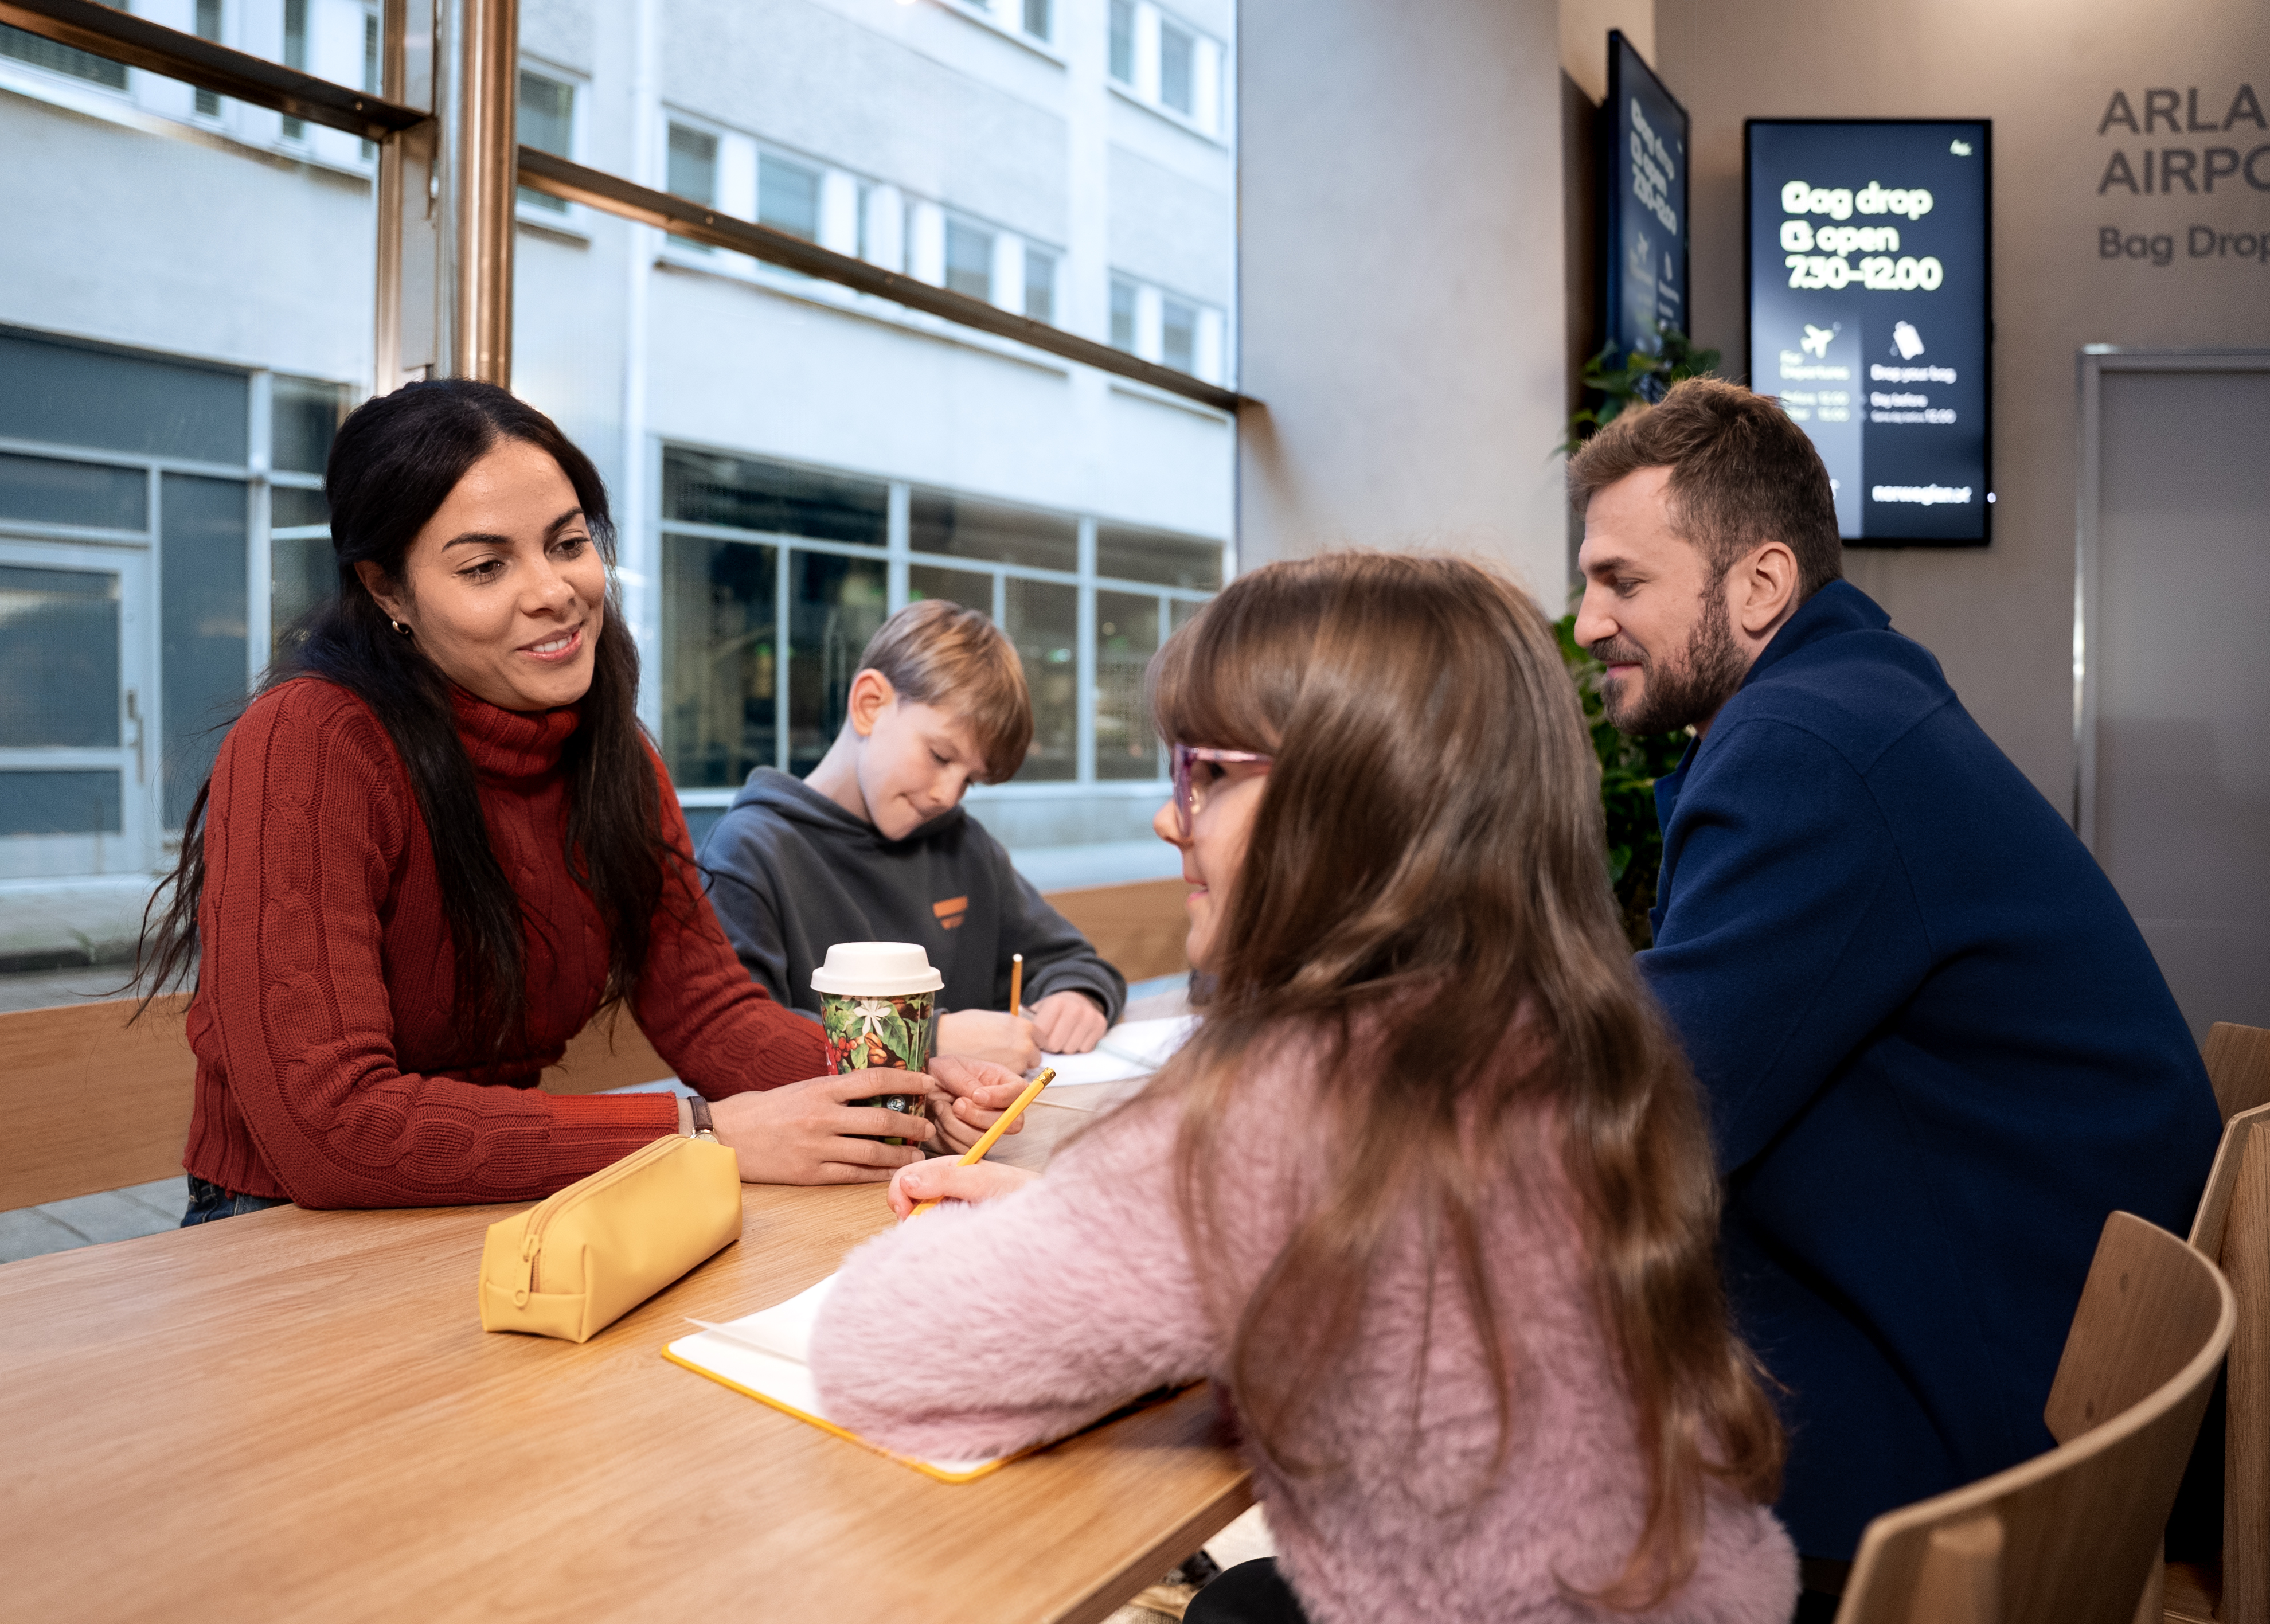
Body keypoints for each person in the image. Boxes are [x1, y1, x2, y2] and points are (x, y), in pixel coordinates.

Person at [805, 553, 1800, 1624]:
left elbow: (871, 1351)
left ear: (1348, 808)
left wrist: (1073, 1226)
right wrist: (1092, 1226)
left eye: (1209, 773)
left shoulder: (1288, 1105)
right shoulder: (1568, 1035)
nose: (1169, 816)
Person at [1566, 378, 2222, 1581]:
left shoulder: (1803, 750)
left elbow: (1634, 1133)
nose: (1584, 623)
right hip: (2032, 1354)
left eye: (1620, 581)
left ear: (1758, 586)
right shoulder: (1848, 703)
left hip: (1960, 1433)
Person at [136, 381, 1023, 1221]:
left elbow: (711, 1010)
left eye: (568, 544)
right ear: (387, 590)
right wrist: (701, 1131)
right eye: (486, 567)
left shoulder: (612, 753)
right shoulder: (311, 741)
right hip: (277, 1225)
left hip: (503, 1200)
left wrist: (910, 1085)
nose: (554, 592)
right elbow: (331, 1129)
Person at [698, 599, 1127, 1073]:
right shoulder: (748, 853)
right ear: (870, 705)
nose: (949, 795)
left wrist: (1078, 995)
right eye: (941, 757)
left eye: (969, 781)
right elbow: (743, 1043)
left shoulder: (962, 845)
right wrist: (932, 1039)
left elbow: (1070, 959)